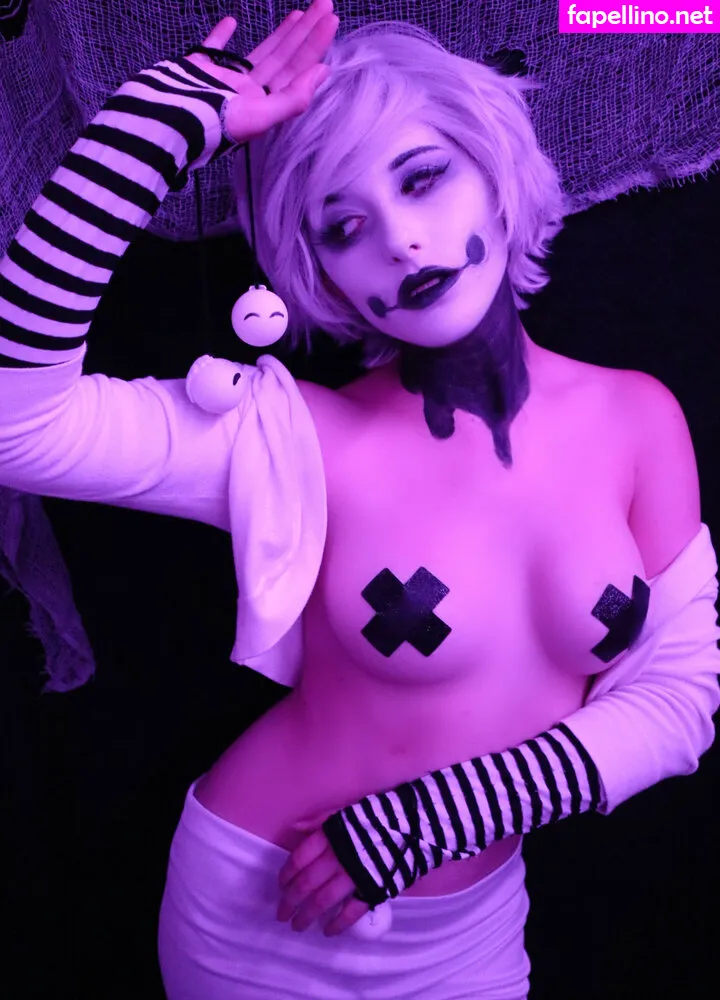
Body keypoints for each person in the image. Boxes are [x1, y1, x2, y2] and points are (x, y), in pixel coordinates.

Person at [0, 2, 717, 998]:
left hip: (469, 923)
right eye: (345, 226)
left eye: (423, 178)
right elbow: (17, 425)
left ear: (496, 174)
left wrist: (441, 816)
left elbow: (680, 696)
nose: (402, 242)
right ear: (321, 273)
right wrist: (150, 136)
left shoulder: (639, 419)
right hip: (265, 911)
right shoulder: (297, 437)